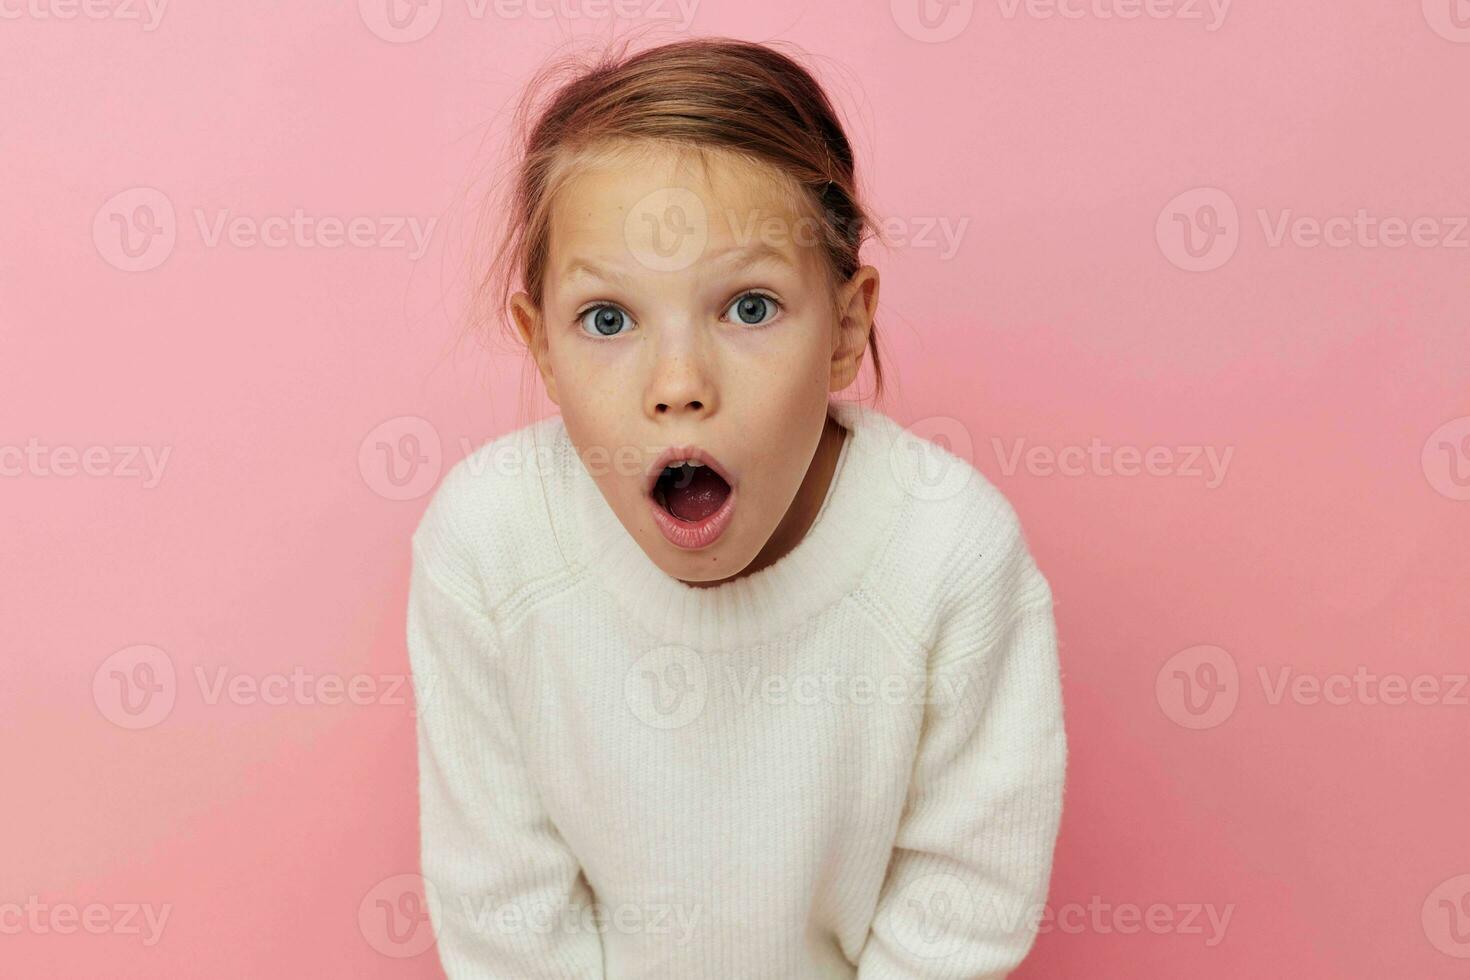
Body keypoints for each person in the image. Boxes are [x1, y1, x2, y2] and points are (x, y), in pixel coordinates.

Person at [406, 35, 1067, 979]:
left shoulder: (947, 550)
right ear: (541, 346)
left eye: (749, 308)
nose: (678, 385)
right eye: (607, 320)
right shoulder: (489, 544)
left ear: (845, 329)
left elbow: (961, 907)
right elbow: (505, 907)